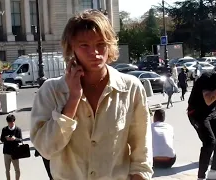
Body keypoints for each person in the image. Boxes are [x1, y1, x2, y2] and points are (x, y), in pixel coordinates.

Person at [30, 9, 153, 180]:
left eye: (101, 44)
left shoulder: (131, 88)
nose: (94, 52)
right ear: (71, 47)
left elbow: (141, 151)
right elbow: (46, 149)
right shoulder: (52, 91)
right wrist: (73, 99)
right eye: (84, 45)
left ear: (110, 45)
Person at [0, 114, 22, 180]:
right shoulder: (4, 129)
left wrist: (15, 139)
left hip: (15, 152)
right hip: (6, 152)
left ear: (14, 121)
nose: (11, 124)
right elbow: (1, 139)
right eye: (9, 123)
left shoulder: (18, 129)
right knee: (7, 169)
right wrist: (6, 138)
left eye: (12, 122)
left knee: (17, 169)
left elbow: (20, 139)